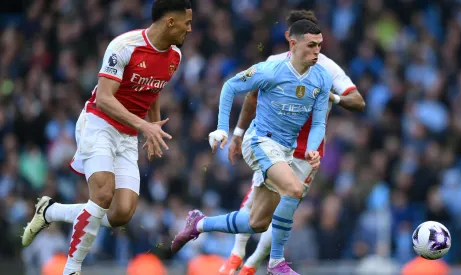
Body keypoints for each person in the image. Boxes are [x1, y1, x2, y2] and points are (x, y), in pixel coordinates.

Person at [21, 1, 192, 274]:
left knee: (121, 213)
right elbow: (103, 98)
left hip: (127, 134)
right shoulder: (124, 46)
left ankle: (50, 212)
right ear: (170, 21)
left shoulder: (175, 57)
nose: (190, 28)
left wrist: (153, 124)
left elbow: (154, 88)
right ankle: (72, 268)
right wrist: (144, 126)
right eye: (187, 23)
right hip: (98, 124)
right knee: (102, 194)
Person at [171, 19, 331, 275]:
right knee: (294, 189)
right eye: (311, 45)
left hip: (284, 152)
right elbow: (230, 86)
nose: (317, 51)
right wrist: (223, 128)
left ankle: (198, 224)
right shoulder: (271, 70)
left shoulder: (322, 77)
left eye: (320, 45)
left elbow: (319, 124)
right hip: (259, 141)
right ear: (293, 43)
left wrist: (312, 149)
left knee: (256, 222)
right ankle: (276, 262)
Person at [220, 10, 365, 275]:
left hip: (307, 153)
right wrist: (238, 134)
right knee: (257, 200)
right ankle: (237, 254)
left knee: (283, 210)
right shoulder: (275, 63)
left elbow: (358, 101)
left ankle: (252, 264)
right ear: (291, 39)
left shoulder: (328, 69)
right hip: (272, 142)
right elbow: (251, 97)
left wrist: (335, 98)